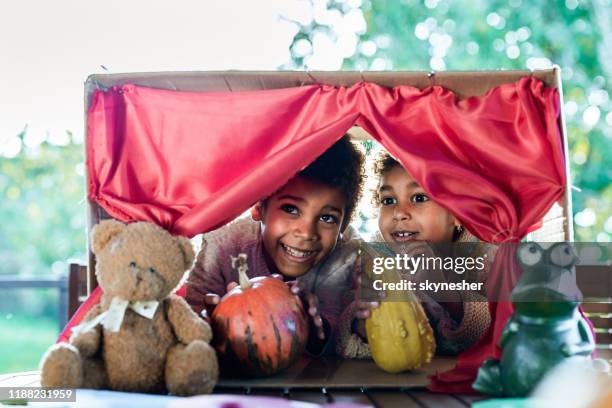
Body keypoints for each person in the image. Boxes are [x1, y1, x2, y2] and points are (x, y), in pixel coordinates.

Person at [186, 136, 365, 355]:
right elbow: (189, 317)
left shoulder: (345, 258)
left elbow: (340, 339)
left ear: (343, 227)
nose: (307, 233)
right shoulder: (223, 244)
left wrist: (314, 331)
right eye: (291, 209)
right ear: (259, 206)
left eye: (327, 218)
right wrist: (210, 328)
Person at [338, 152, 494, 358]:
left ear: (458, 214)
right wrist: (361, 325)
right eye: (388, 200)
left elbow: (496, 333)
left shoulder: (483, 258)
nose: (399, 213)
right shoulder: (374, 258)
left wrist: (444, 292)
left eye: (418, 198)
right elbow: (342, 339)